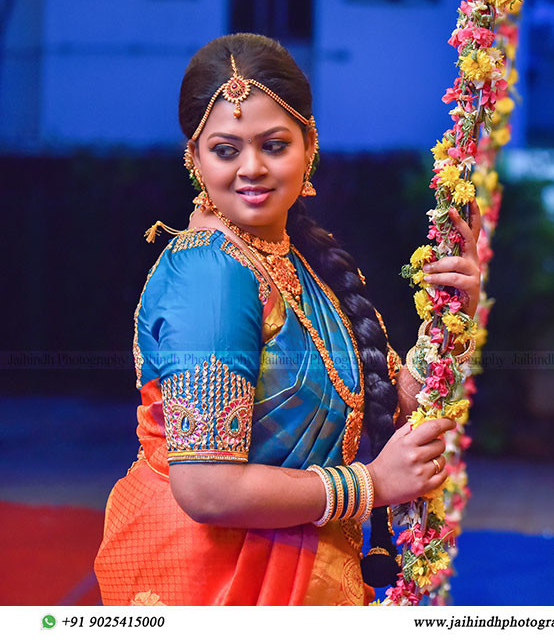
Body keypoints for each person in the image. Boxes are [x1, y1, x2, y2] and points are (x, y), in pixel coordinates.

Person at [93, 33, 482, 605]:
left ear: (310, 145)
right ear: (194, 158)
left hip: (298, 572)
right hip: (217, 583)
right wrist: (372, 484)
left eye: (274, 145)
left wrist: (452, 315)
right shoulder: (213, 276)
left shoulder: (298, 261)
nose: (251, 168)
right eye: (226, 149)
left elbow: (387, 404)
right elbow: (206, 487)